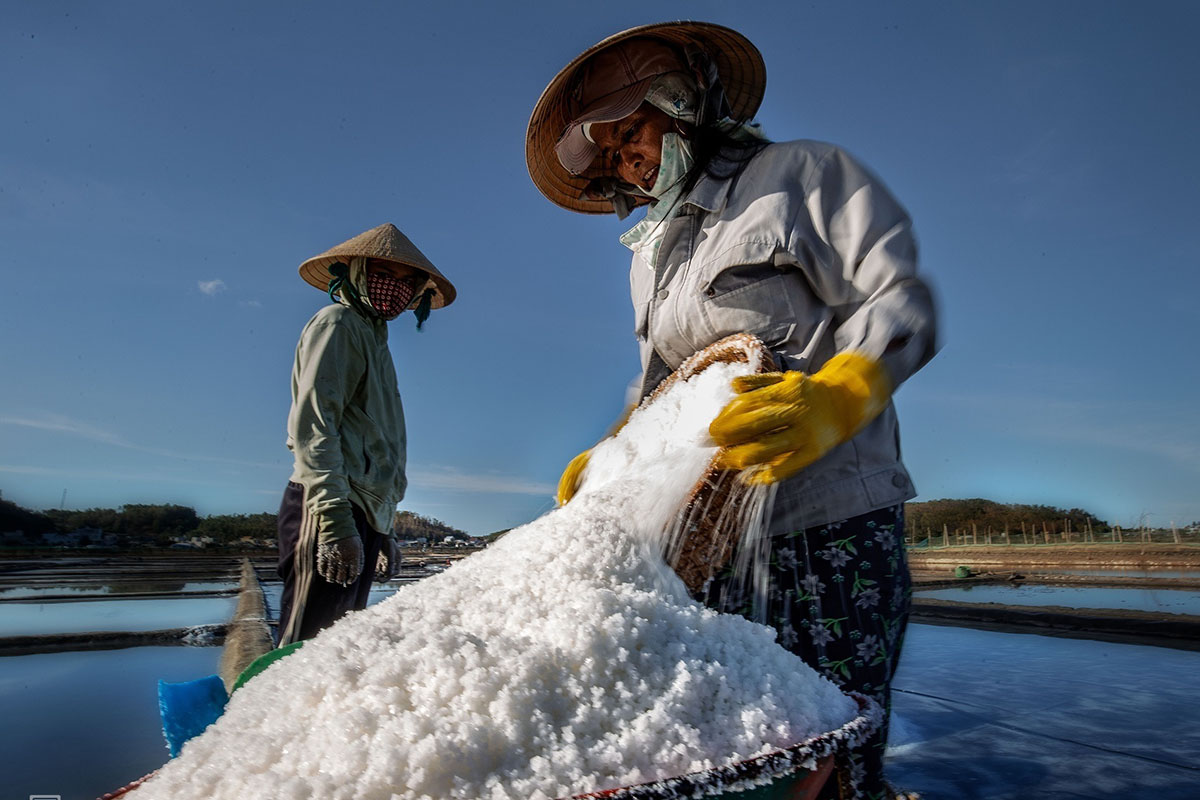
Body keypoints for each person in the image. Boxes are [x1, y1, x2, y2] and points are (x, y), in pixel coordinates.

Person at [526, 22, 937, 800]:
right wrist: (606, 457)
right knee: (742, 748)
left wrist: (839, 394)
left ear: (681, 102)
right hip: (714, 546)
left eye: (632, 134)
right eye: (612, 155)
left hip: (830, 524)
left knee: (834, 750)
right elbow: (662, 390)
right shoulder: (651, 257)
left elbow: (903, 302)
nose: (628, 161)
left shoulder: (801, 176)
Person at [276, 222, 457, 646]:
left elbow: (377, 444)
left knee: (333, 650)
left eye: (405, 281)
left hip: (363, 512)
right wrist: (336, 522)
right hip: (329, 504)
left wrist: (385, 529)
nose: (394, 287)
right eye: (383, 274)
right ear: (356, 271)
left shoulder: (376, 342)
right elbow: (315, 427)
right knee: (301, 648)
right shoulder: (338, 324)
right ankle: (256, 714)